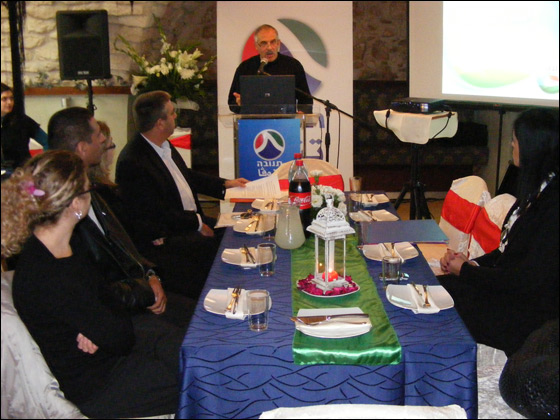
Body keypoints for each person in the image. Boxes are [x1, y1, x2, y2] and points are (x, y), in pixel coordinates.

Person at [1, 150, 181, 418]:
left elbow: (104, 295)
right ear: (76, 203)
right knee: (195, 376)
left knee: (178, 342)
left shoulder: (61, 245)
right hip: (96, 384)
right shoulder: (49, 273)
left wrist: (96, 325)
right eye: (89, 189)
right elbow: (120, 336)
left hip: (104, 354)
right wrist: (100, 324)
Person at [47, 107, 194, 328]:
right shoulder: (66, 208)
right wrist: (146, 290)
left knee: (197, 308)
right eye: (98, 134)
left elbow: (123, 245)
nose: (103, 139)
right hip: (118, 313)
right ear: (82, 148)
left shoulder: (90, 190)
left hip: (135, 288)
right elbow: (97, 286)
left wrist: (150, 274)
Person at [438, 108, 559, 357]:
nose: (512, 146)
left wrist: (467, 272)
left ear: (533, 146)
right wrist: (470, 263)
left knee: (439, 301)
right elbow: (505, 252)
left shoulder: (553, 205)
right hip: (510, 294)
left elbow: (526, 280)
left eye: (515, 141)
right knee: (436, 287)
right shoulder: (537, 189)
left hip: (529, 317)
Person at [116, 90, 249, 298]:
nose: (176, 116)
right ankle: (224, 296)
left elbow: (185, 176)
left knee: (240, 229)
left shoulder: (162, 144)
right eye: (172, 113)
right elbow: (154, 214)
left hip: (188, 221)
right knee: (226, 245)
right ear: (160, 123)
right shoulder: (133, 161)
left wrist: (225, 184)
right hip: (170, 235)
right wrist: (197, 224)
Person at [228, 24, 313, 113]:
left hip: (286, 121)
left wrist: (302, 113)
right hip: (253, 120)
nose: (269, 47)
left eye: (273, 42)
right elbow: (232, 102)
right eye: (264, 43)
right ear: (256, 46)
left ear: (278, 43)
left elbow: (306, 100)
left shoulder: (293, 65)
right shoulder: (245, 67)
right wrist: (239, 104)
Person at [1, 82, 49, 170]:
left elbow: (46, 141)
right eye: (4, 99)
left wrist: (41, 163)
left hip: (21, 170)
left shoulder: (22, 120)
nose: (9, 102)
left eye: (11, 98)